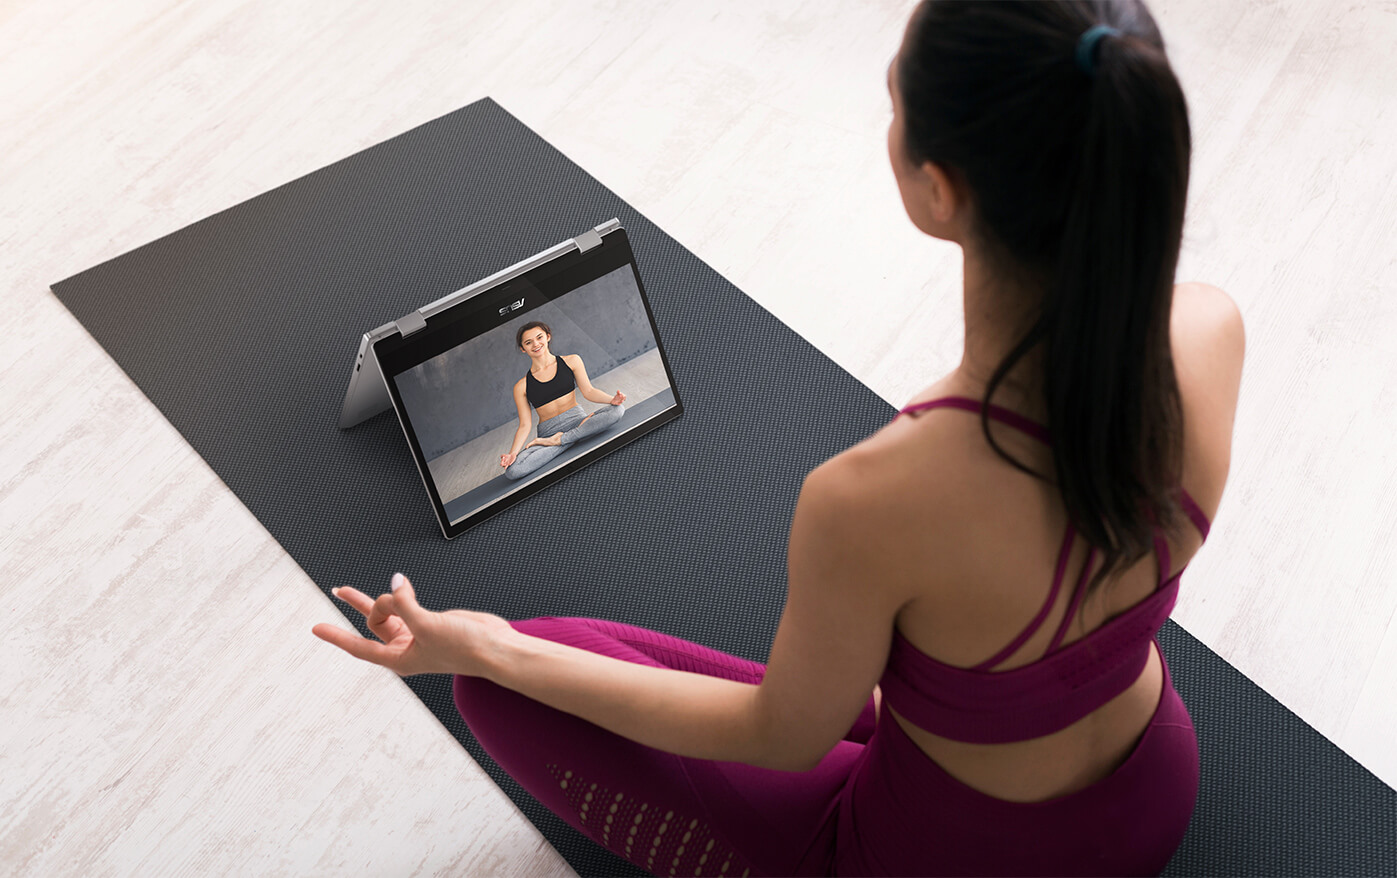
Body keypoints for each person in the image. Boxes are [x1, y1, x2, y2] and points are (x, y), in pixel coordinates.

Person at [311, 0, 1246, 874]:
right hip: (1151, 788)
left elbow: (781, 736)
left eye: (892, 98)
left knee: (506, 686)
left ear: (937, 187)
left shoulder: (878, 494)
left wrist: (485, 649)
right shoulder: (1208, 333)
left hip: (954, 853)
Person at [500, 320, 627, 481]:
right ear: (523, 349)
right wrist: (512, 453)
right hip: (548, 432)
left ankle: (560, 440)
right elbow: (525, 425)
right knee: (513, 471)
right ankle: (572, 438)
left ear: (548, 336)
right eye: (528, 342)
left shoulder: (572, 361)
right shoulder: (521, 386)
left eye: (539, 337)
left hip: (578, 420)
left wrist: (612, 399)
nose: (536, 344)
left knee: (618, 410)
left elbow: (589, 391)